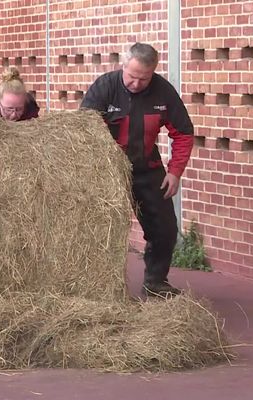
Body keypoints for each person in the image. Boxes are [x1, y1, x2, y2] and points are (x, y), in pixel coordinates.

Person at [80, 42, 194, 297]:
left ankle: (155, 283)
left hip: (147, 169)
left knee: (164, 228)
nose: (136, 84)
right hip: (109, 172)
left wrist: (175, 172)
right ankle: (101, 289)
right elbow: (82, 133)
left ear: (152, 72)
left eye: (144, 79)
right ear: (123, 66)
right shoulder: (104, 87)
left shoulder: (163, 92)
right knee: (103, 229)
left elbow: (184, 132)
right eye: (132, 77)